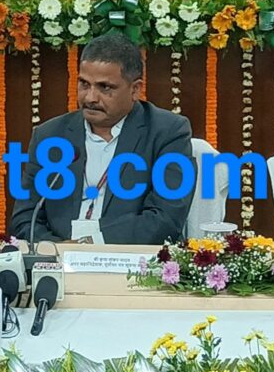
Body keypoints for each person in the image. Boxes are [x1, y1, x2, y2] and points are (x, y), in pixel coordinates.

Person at [11, 33, 194, 245]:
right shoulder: (50, 135)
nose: (90, 98)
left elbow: (166, 218)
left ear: (135, 89)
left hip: (129, 258)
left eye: (105, 87)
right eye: (84, 84)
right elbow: (25, 219)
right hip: (59, 255)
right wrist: (57, 249)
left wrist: (90, 244)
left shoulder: (168, 132)